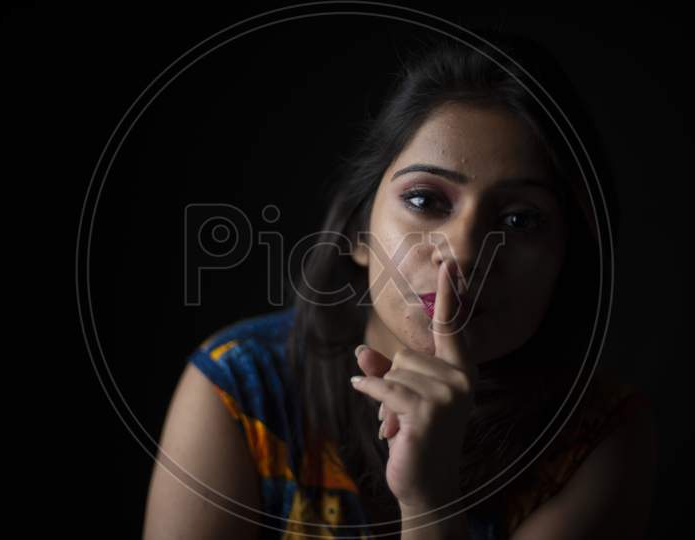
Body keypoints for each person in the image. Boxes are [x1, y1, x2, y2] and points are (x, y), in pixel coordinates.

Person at [143, 28, 657, 540]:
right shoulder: (241, 390)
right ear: (357, 232)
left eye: (521, 220)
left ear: (565, 261)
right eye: (424, 201)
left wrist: (429, 500)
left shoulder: (597, 439)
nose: (463, 250)